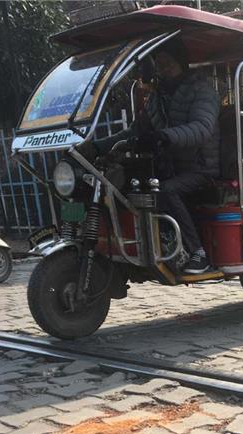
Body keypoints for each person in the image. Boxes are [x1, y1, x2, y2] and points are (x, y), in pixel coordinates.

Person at [87, 37, 220, 275]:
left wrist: (163, 136)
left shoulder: (203, 90)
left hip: (200, 169)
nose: (163, 69)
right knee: (130, 187)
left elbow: (202, 128)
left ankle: (198, 253)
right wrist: (97, 146)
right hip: (169, 166)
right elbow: (136, 130)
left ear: (181, 62)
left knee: (166, 190)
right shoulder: (158, 97)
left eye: (168, 63)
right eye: (159, 64)